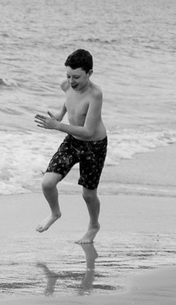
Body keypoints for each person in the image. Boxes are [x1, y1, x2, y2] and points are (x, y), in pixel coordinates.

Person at [34, 49, 108, 244]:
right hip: (72, 141)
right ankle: (55, 213)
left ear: (89, 73)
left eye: (76, 77)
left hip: (94, 145)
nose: (71, 81)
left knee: (88, 194)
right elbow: (69, 101)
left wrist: (58, 126)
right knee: (47, 183)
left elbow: (89, 131)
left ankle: (93, 225)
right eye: (68, 76)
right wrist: (60, 114)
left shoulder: (95, 95)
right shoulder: (66, 85)